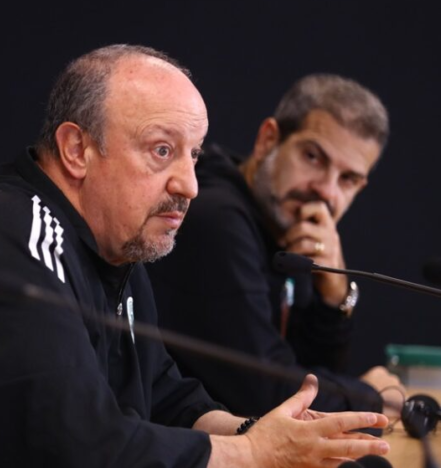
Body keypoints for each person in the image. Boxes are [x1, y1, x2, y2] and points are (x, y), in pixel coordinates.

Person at [0, 46, 389, 468]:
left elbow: (165, 397)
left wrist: (269, 435)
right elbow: (79, 446)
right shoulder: (13, 231)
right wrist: (254, 453)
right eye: (162, 150)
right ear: (77, 149)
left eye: (193, 155)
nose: (190, 185)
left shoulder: (121, 243)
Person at [146, 74, 405, 419]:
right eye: (313, 157)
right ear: (268, 139)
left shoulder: (288, 231)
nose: (327, 191)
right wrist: (370, 396)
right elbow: (267, 396)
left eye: (348, 179)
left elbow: (309, 369)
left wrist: (334, 296)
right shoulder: (216, 218)